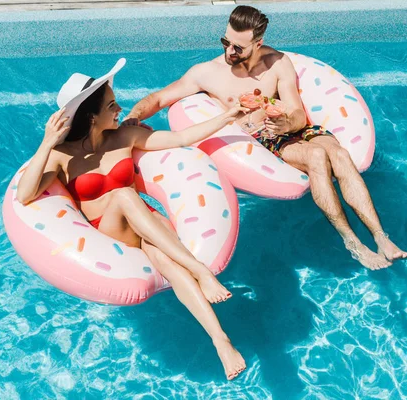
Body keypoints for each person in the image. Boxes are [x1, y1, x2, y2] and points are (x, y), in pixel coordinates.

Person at [124, 6, 407, 270]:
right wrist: (133, 118)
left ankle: (381, 237)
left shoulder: (277, 64)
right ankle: (353, 243)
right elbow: (159, 97)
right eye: (225, 42)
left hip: (291, 127)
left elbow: (298, 114)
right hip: (266, 138)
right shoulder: (208, 73)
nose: (229, 51)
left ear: (258, 44)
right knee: (316, 156)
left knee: (338, 153)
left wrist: (285, 120)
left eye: (238, 46)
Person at [16, 59, 247, 380]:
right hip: (108, 232)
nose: (120, 108)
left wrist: (227, 117)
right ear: (91, 116)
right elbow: (24, 194)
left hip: (144, 222)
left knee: (169, 264)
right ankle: (202, 272)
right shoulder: (62, 156)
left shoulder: (124, 136)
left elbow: (181, 139)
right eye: (112, 104)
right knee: (124, 195)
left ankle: (221, 341)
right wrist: (46, 142)